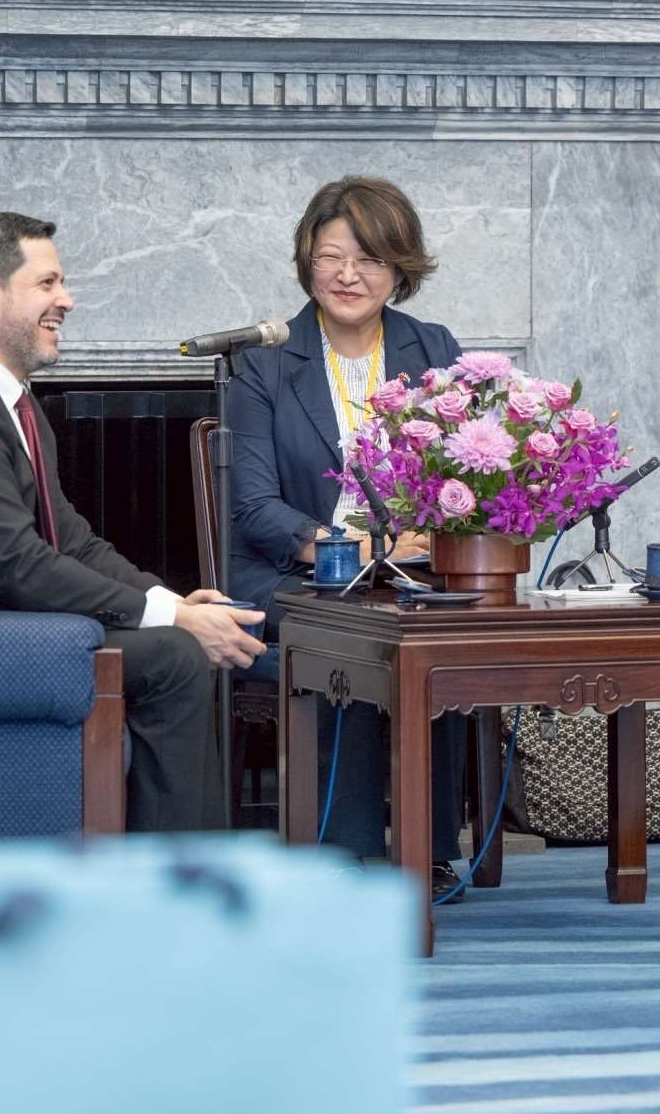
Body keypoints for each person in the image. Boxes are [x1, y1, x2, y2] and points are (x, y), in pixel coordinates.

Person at [0, 211, 265, 832]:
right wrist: (176, 620)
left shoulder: (7, 396)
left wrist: (170, 599)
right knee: (174, 656)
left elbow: (70, 540)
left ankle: (189, 875)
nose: (66, 300)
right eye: (47, 284)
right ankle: (172, 888)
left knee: (177, 645)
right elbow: (19, 566)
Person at [227, 176, 470, 895]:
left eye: (368, 259)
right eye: (332, 255)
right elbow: (254, 506)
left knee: (444, 629)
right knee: (365, 633)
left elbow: (464, 469)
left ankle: (427, 842)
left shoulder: (434, 348)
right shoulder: (266, 361)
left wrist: (426, 537)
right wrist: (357, 553)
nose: (347, 275)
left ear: (399, 268)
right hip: (293, 576)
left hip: (410, 577)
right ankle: (348, 847)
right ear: (308, 260)